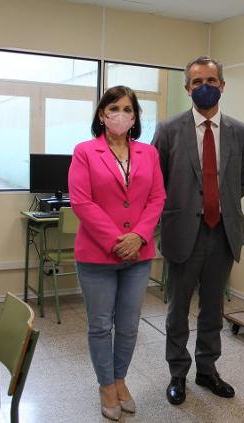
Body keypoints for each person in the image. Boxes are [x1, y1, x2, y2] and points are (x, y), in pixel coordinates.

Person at [152, 56, 244, 405]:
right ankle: (178, 373)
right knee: (178, 310)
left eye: (211, 80)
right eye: (197, 82)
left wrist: (217, 207)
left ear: (222, 85)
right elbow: (156, 183)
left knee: (212, 309)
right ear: (187, 88)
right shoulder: (168, 129)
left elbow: (240, 184)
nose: (204, 87)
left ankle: (207, 370)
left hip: (222, 233)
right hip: (183, 233)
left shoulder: (240, 132)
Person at [69, 85, 166, 421]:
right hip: (97, 256)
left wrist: (138, 236)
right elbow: (81, 201)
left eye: (127, 109)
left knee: (128, 325)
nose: (120, 115)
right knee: (100, 326)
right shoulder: (85, 152)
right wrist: (117, 241)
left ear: (135, 117)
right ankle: (106, 385)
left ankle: (120, 379)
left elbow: (157, 198)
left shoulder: (148, 154)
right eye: (114, 109)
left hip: (138, 256)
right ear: (102, 115)